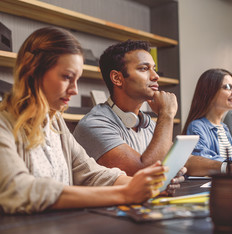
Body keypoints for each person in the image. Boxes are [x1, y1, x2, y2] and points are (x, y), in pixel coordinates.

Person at [0, 27, 168, 214]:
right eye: (67, 77)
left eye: (77, 79)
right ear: (33, 71)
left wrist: (146, 186)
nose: (75, 90)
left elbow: (90, 172)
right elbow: (20, 189)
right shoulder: (3, 124)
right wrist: (125, 193)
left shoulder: (55, 122)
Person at [73, 40, 186, 185]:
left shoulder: (147, 123)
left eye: (154, 68)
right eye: (144, 69)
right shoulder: (94, 124)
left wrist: (222, 166)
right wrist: (166, 113)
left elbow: (180, 160)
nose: (155, 76)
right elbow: (144, 172)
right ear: (117, 78)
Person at [182, 69, 232, 178]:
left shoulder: (224, 128)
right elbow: (203, 161)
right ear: (209, 92)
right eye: (228, 87)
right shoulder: (197, 126)